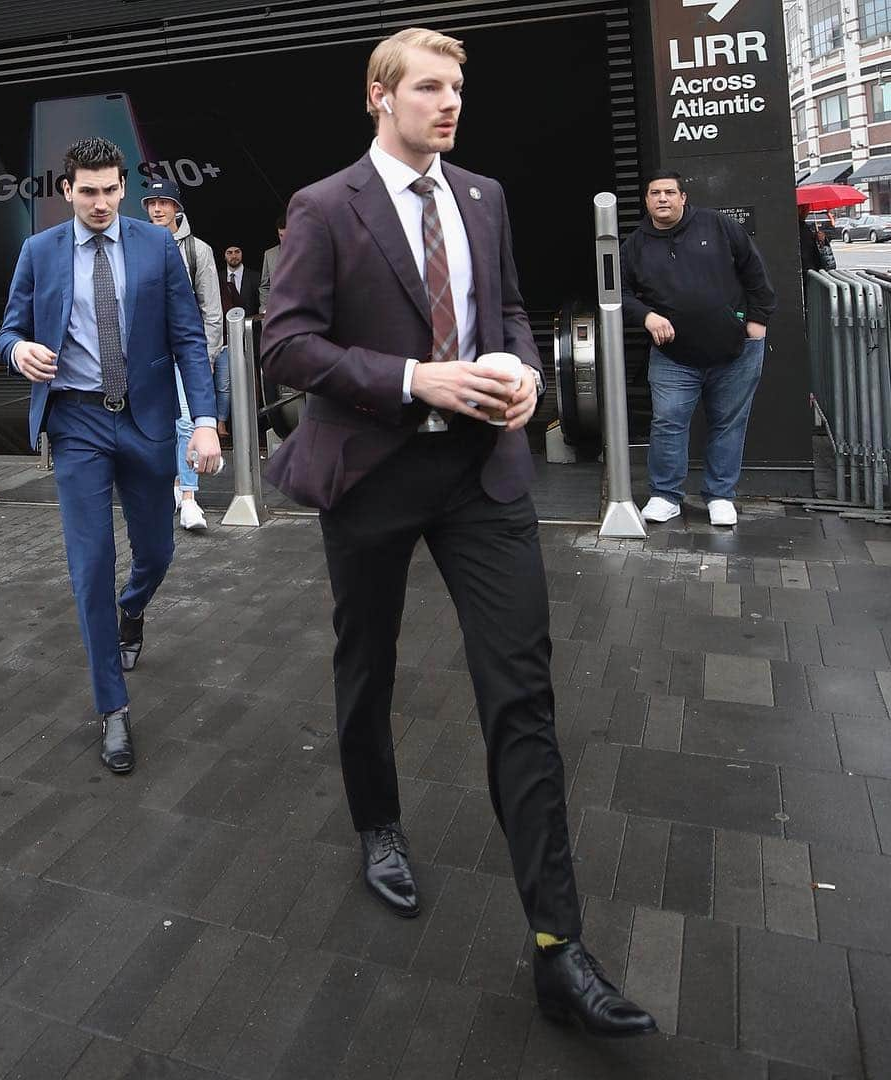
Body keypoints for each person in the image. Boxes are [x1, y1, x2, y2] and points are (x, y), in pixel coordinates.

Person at [261, 26, 656, 1038]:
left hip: (484, 474)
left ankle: (559, 949)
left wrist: (521, 370)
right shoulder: (324, 207)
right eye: (430, 87)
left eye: (458, 88)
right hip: (374, 475)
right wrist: (410, 379)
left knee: (520, 693)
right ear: (379, 97)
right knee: (368, 666)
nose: (450, 104)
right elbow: (288, 345)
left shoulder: (482, 196)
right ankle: (378, 824)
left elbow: (511, 310)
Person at [0, 137, 221, 775]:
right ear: (66, 191)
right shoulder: (39, 252)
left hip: (148, 420)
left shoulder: (156, 245)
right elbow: (8, 329)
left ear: (124, 187)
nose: (100, 202)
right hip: (77, 423)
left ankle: (133, 609)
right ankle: (112, 708)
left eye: (110, 189)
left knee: (157, 551)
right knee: (89, 564)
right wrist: (18, 353)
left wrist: (204, 421)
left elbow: (184, 333)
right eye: (87, 191)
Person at [621, 171, 776, 527]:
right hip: (674, 356)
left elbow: (754, 270)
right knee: (668, 423)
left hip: (736, 350)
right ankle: (665, 495)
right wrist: (646, 316)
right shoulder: (635, 246)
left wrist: (758, 320)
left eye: (670, 192)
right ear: (646, 200)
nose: (663, 198)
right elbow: (620, 295)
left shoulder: (717, 226)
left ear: (683, 197)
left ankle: (720, 496)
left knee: (728, 424)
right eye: (655, 193)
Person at [142, 175, 223, 531]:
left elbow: (213, 310)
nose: (157, 209)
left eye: (164, 203)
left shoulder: (197, 250)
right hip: (149, 354)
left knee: (189, 421)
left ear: (177, 208)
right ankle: (174, 486)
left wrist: (203, 359)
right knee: (158, 424)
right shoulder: (139, 246)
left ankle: (189, 497)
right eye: (152, 204)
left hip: (186, 354)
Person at [258, 212, 286, 314]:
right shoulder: (270, 254)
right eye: (281, 235)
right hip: (277, 314)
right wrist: (264, 309)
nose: (284, 240)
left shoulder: (307, 253)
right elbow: (265, 286)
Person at [220, 245, 260, 316]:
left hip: (250, 324)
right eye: (229, 253)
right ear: (224, 256)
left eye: (237, 252)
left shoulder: (256, 277)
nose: (234, 256)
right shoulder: (218, 277)